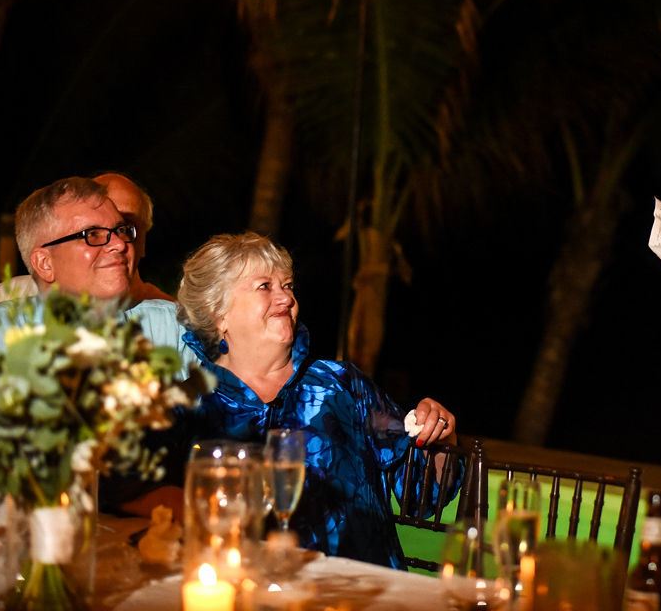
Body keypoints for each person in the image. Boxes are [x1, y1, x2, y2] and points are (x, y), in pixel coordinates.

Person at [170, 232, 461, 569]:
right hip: (240, 589)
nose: (285, 298)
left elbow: (423, 498)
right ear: (217, 311)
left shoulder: (339, 384)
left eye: (288, 286)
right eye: (265, 286)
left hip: (359, 593)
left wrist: (439, 435)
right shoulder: (187, 406)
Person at [0, 177, 188, 359]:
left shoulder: (177, 333)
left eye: (123, 229)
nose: (120, 243)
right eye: (92, 234)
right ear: (45, 263)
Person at [0, 172, 172, 309]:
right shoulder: (10, 298)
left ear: (144, 240)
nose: (115, 241)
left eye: (124, 226)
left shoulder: (173, 325)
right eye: (93, 231)